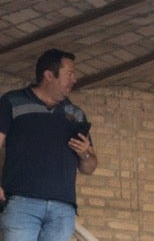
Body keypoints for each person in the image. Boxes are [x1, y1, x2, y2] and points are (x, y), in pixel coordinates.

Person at [0, 49, 97, 241]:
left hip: (62, 208)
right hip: (21, 202)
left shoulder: (76, 114)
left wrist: (86, 153)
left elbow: (89, 167)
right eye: (69, 73)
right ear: (49, 75)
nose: (74, 79)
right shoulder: (12, 101)